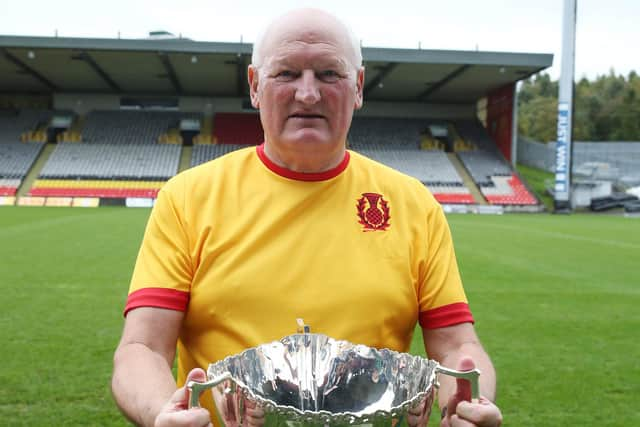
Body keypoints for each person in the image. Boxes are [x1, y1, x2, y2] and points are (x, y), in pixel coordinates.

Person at [111, 8, 503, 427]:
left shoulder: (412, 204)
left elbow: (457, 346)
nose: (309, 93)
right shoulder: (188, 198)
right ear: (255, 86)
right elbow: (143, 348)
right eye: (286, 74)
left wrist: (467, 406)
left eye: (329, 74)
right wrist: (160, 413)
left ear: (358, 87)